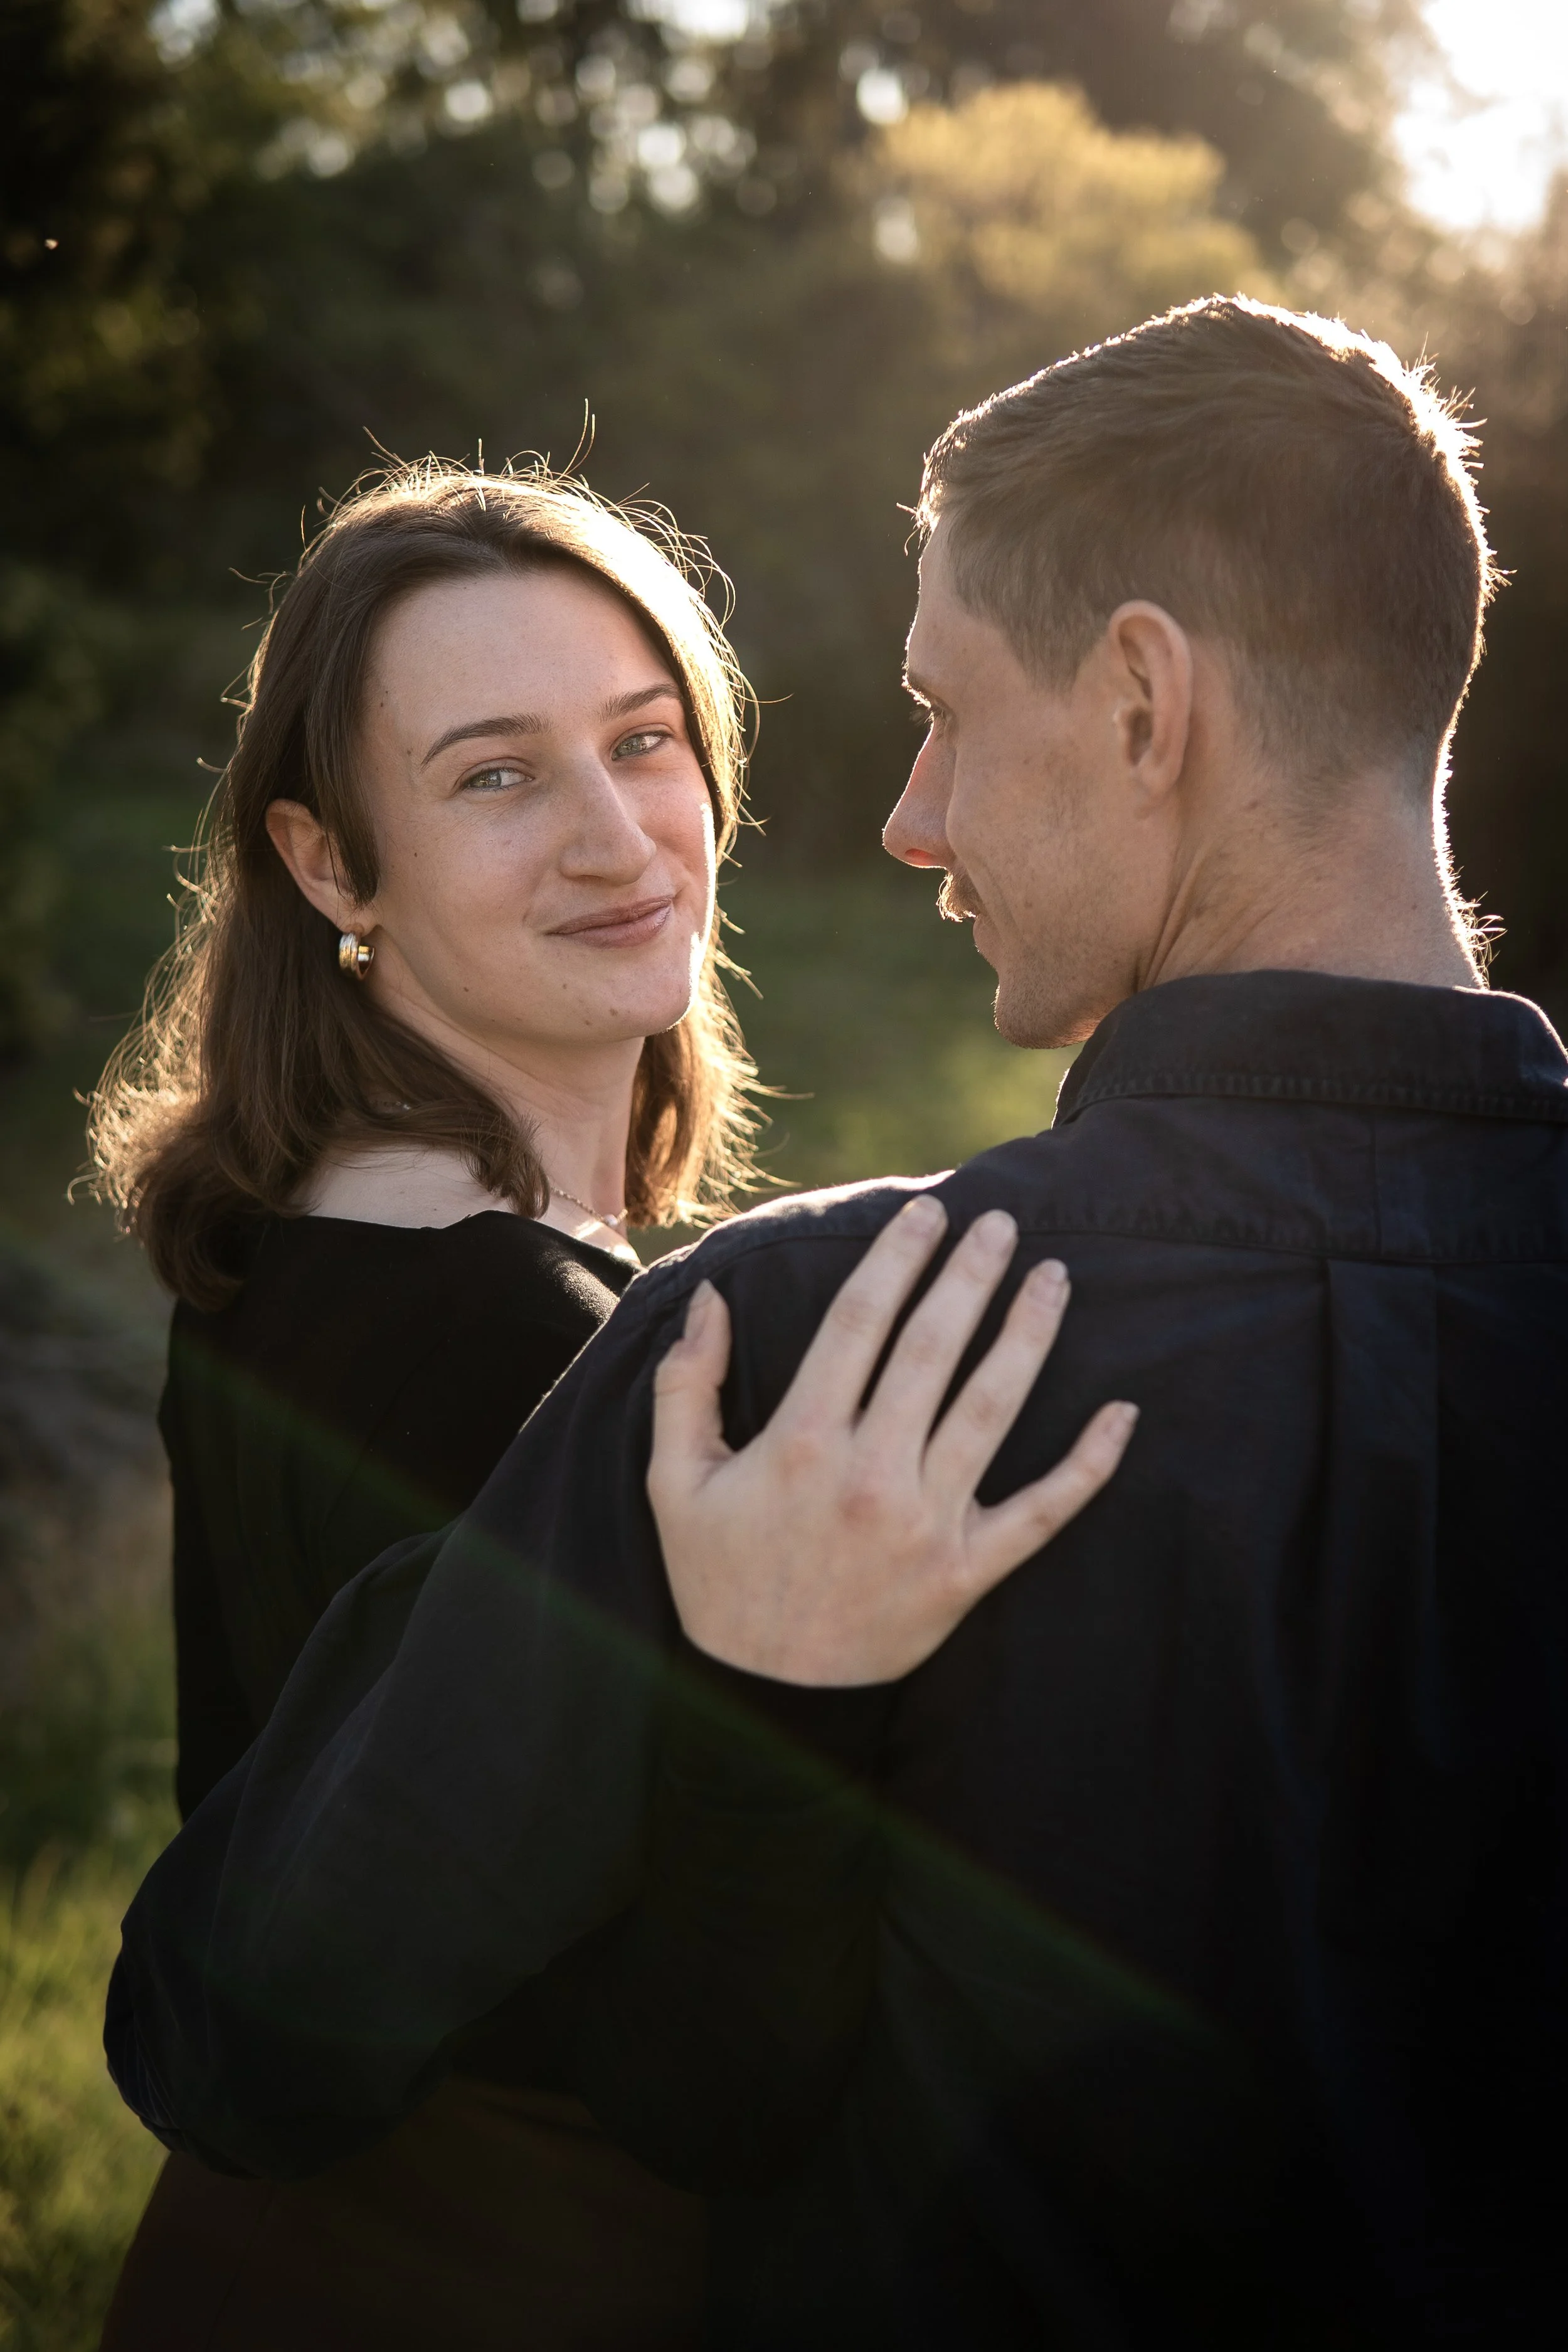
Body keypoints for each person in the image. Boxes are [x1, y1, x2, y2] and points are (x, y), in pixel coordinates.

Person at [109, 294, 1568, 2347]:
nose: (906, 814)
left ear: (1144, 703)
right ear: (324, 859)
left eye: (947, 710)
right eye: (501, 775)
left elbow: (237, 2021)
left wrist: (754, 1705)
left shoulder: (802, 1347)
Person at [89, 460, 757, 2349]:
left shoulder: (304, 1235)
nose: (620, 835)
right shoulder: (500, 1325)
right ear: (327, 863)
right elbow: (693, 2027)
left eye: (643, 742)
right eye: (494, 774)